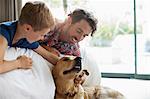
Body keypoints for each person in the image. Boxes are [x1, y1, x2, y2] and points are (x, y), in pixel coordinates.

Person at [0, 1, 59, 74]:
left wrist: (74, 69)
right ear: (27, 28)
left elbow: (49, 56)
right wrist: (19, 63)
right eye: (41, 35)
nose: (42, 38)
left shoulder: (26, 38)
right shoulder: (3, 34)